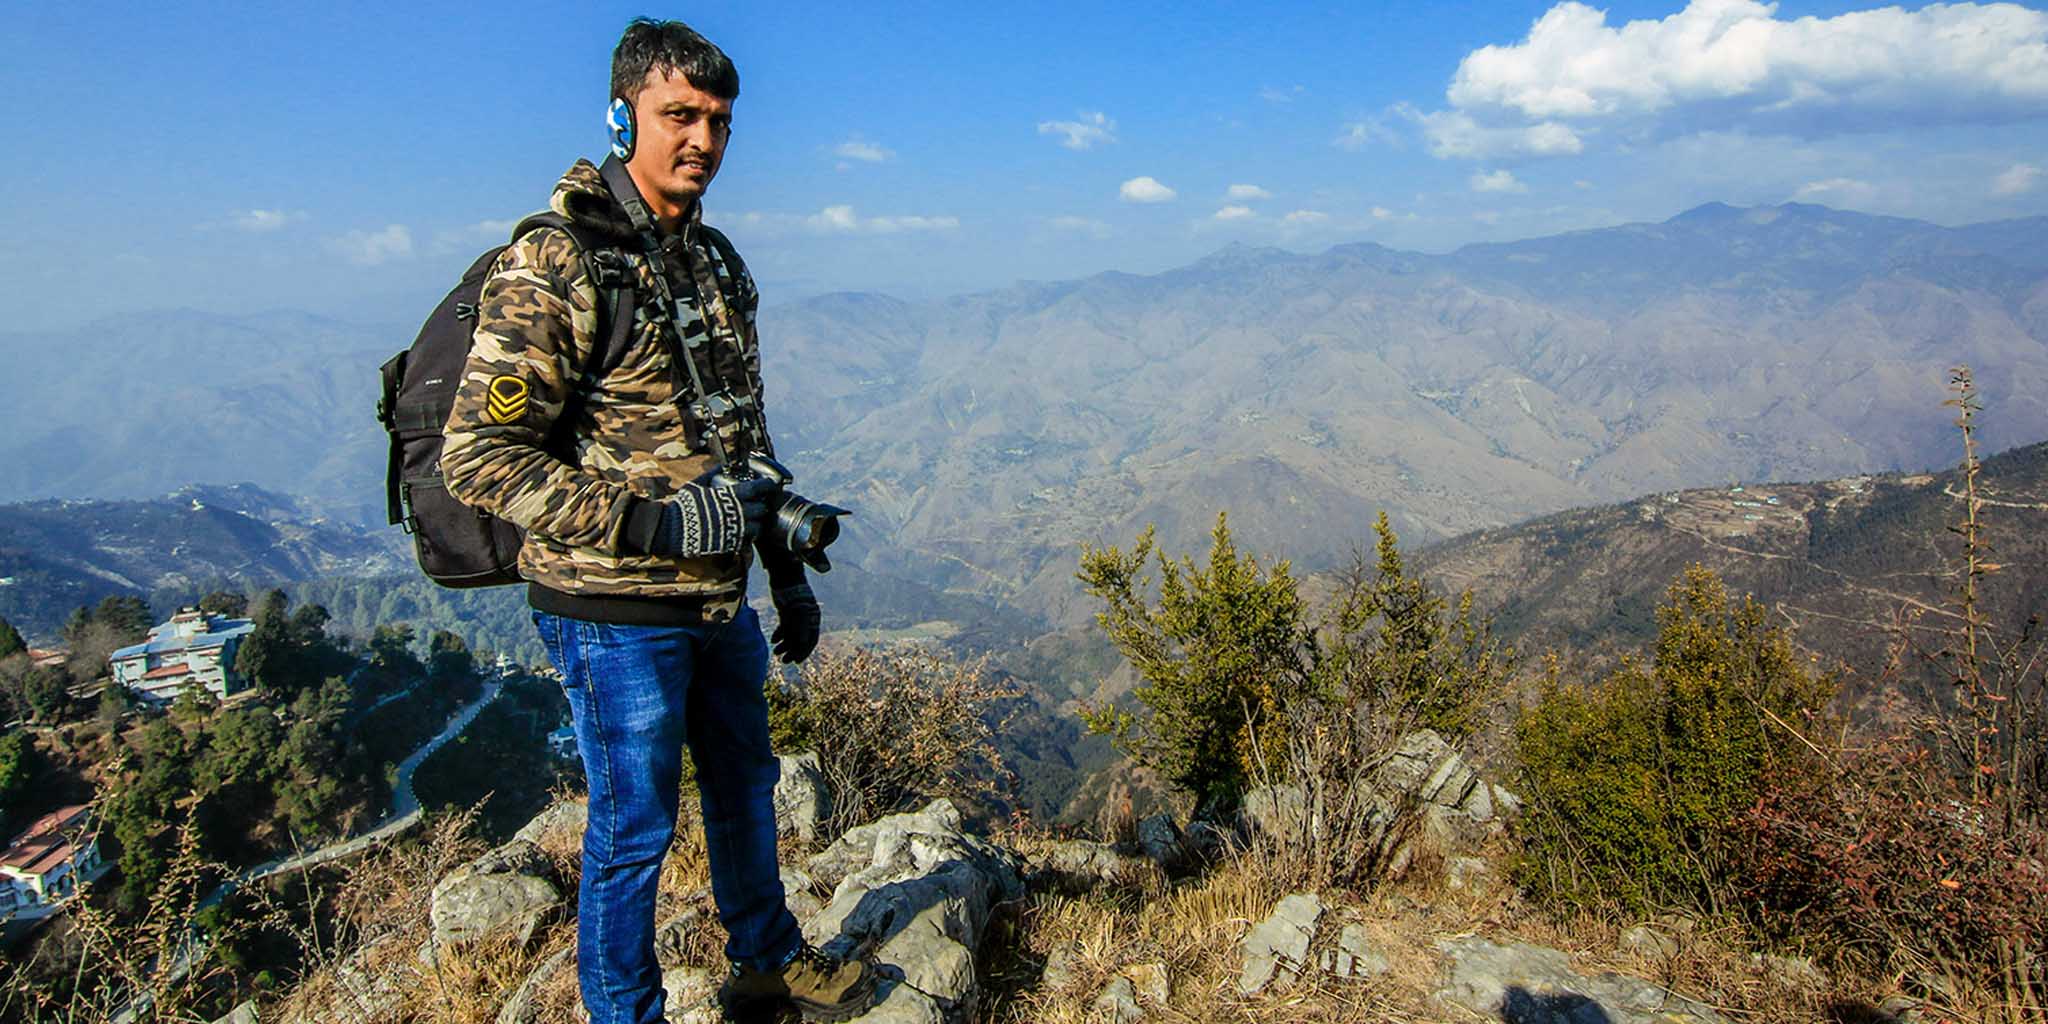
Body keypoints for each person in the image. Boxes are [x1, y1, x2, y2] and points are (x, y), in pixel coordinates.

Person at [440, 18, 876, 1024]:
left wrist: (785, 570)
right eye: (679, 115)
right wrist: (657, 526)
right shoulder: (555, 263)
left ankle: (766, 963)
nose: (702, 140)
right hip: (610, 611)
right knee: (633, 831)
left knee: (744, 785)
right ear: (622, 112)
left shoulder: (713, 262)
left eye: (718, 121)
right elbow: (479, 457)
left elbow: (744, 438)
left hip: (718, 602)